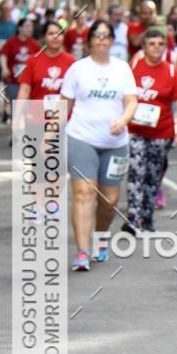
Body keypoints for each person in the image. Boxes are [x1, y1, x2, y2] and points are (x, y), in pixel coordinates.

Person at [61, 20, 138, 271]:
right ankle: (82, 252)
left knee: (109, 200)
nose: (102, 39)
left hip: (115, 143)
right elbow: (64, 104)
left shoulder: (122, 68)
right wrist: (49, 134)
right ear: (90, 40)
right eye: (97, 35)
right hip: (81, 137)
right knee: (84, 193)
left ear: (112, 40)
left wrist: (123, 120)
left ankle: (100, 238)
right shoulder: (78, 69)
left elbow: (131, 101)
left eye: (106, 35)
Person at [123, 28, 177, 233]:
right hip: (135, 130)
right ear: (144, 47)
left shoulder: (171, 72)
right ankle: (133, 218)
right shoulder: (133, 67)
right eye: (152, 44)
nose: (156, 48)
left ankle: (147, 217)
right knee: (136, 172)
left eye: (160, 44)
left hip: (161, 132)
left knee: (152, 176)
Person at [17, 20, 75, 104]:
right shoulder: (32, 60)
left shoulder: (72, 62)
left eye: (59, 33)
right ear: (44, 37)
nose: (55, 36)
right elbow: (24, 90)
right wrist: (17, 112)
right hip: (37, 110)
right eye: (51, 34)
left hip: (62, 111)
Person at [0, 17, 41, 109]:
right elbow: (3, 55)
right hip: (13, 81)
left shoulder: (34, 44)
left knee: (28, 108)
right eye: (27, 26)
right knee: (16, 107)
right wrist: (4, 68)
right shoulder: (11, 42)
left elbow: (39, 59)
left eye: (31, 26)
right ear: (20, 28)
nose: (30, 29)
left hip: (29, 82)